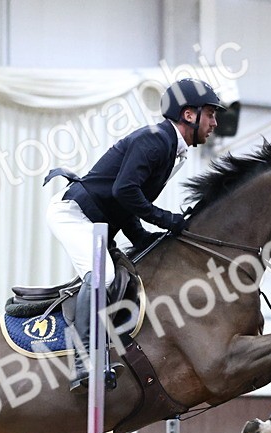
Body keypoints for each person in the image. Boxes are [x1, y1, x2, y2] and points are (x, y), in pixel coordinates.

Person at [45, 78, 224, 393]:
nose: (214, 123)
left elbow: (126, 200)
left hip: (99, 220)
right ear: (189, 115)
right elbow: (124, 191)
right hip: (73, 215)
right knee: (102, 275)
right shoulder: (155, 141)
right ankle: (84, 362)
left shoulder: (172, 149)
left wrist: (142, 237)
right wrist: (167, 219)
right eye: (210, 114)